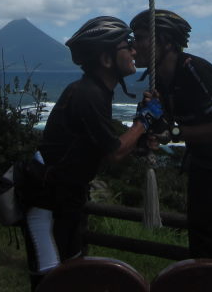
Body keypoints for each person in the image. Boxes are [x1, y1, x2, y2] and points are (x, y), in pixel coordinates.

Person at [19, 16, 163, 291]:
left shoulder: (95, 91)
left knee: (70, 276)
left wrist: (140, 135)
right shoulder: (88, 95)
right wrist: (142, 123)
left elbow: (101, 145)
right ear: (107, 60)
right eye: (127, 46)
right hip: (47, 203)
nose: (134, 52)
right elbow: (114, 153)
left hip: (65, 200)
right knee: (50, 283)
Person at [130, 8, 212, 263]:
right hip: (204, 169)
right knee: (201, 246)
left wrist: (172, 133)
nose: (135, 44)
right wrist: (155, 120)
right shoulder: (162, 78)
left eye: (140, 37)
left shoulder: (195, 70)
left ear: (164, 41)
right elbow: (169, 124)